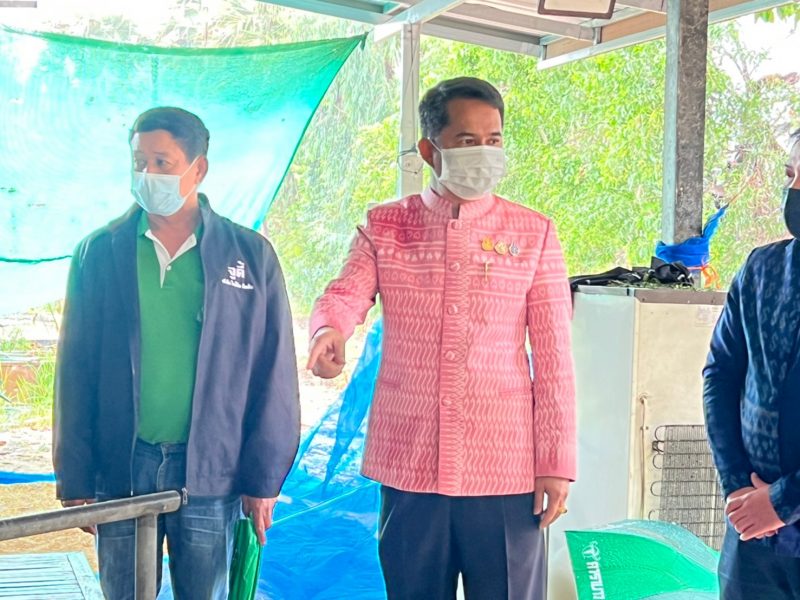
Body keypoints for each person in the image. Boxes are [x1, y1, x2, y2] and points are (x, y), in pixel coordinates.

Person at [307, 77, 576, 599]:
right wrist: (328, 329)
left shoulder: (533, 233)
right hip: (410, 464)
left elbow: (555, 358)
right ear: (431, 150)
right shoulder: (386, 226)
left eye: (494, 140)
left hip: (505, 469)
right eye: (467, 141)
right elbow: (344, 292)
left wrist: (556, 463)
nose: (484, 153)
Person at [53, 106, 300, 599]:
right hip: (123, 465)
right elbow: (74, 370)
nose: (148, 174)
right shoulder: (99, 252)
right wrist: (75, 474)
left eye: (162, 162)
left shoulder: (249, 255)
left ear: (198, 168)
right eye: (139, 162)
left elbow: (274, 372)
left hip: (212, 466)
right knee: (125, 592)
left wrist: (264, 478)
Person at [704, 127, 800, 599]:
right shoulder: (763, 270)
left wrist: (782, 502)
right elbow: (720, 374)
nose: (794, 190)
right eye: (791, 174)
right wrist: (738, 487)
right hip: (753, 539)